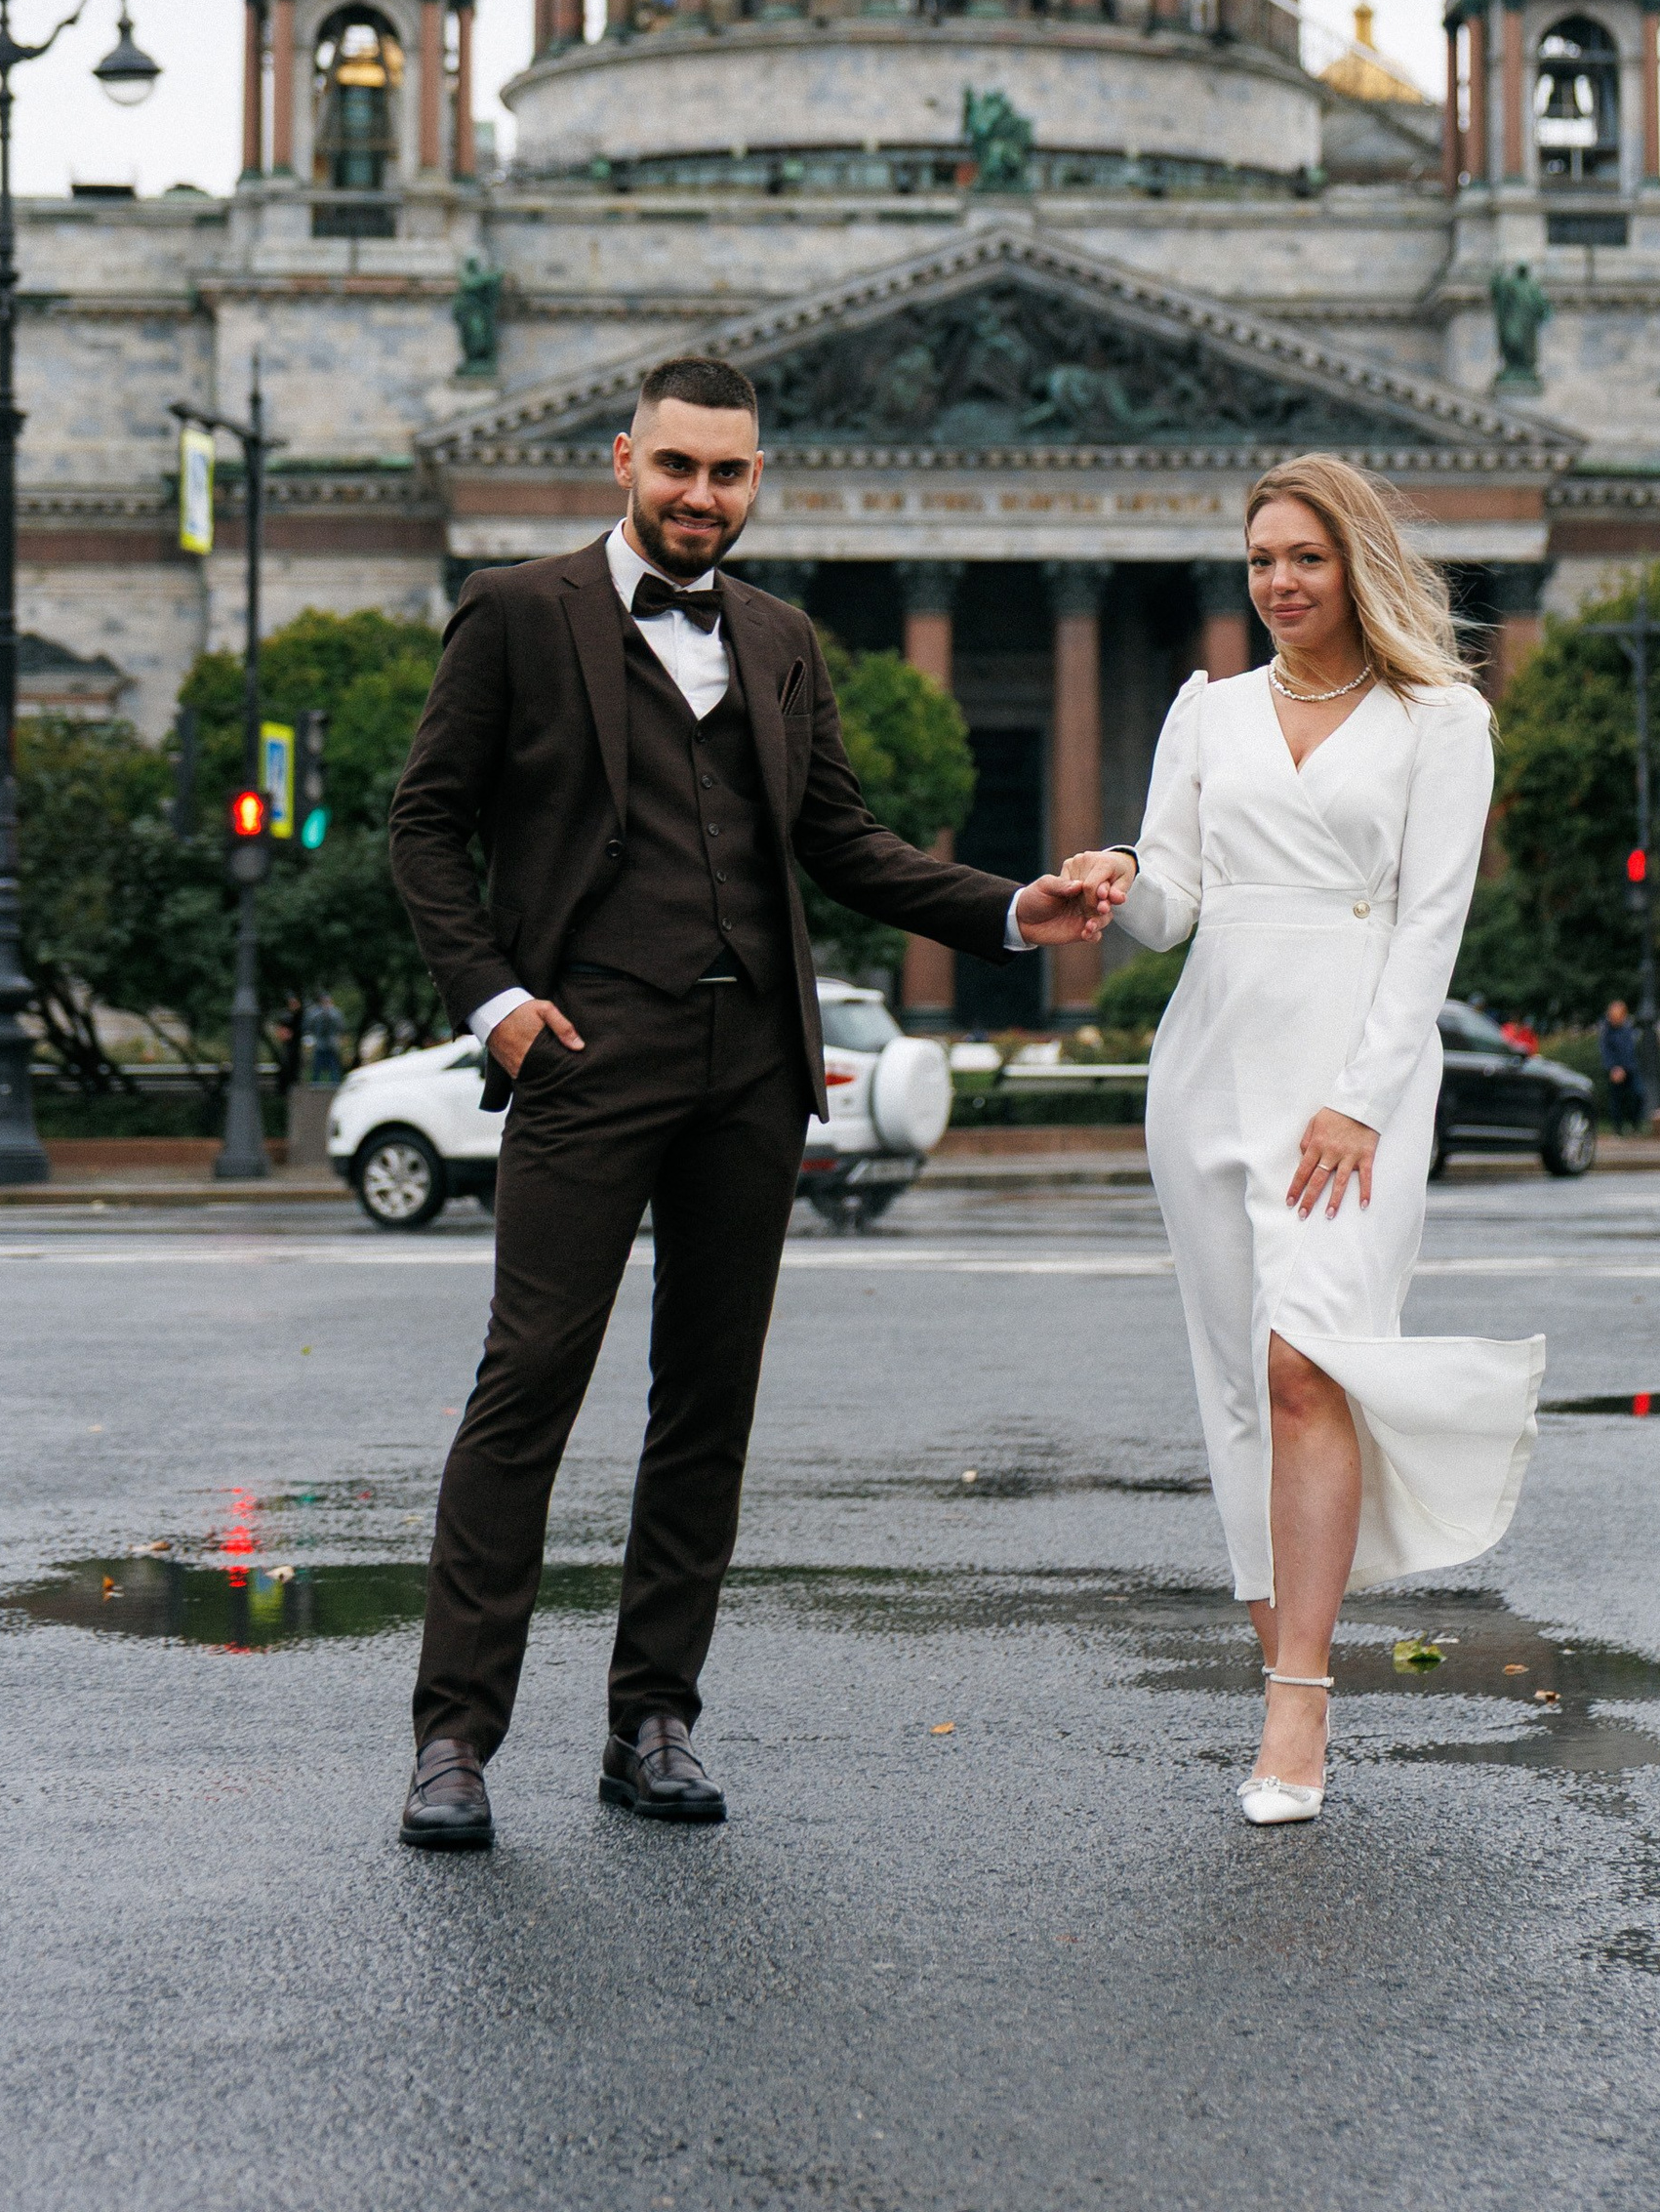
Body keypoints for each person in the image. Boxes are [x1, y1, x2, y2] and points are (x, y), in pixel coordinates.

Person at [385, 352, 1117, 1849]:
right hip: (585, 1052)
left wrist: (1008, 909)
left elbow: (842, 842)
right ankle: (453, 1738)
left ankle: (654, 1721)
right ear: (624, 460)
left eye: (727, 473)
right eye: (677, 466)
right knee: (527, 1390)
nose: (700, 495)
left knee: (707, 1406)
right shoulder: (518, 612)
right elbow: (425, 824)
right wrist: (497, 1005)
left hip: (752, 1069)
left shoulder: (780, 637)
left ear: (755, 480)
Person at [1063, 455, 1542, 1826]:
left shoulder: (1441, 718)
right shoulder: (1206, 711)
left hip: (1349, 1083)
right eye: (1262, 558)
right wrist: (1118, 875)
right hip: (1209, 1067)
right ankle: (1282, 1656)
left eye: (1306, 558)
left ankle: (1300, 1702)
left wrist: (1364, 1095)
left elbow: (1431, 926)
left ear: (1358, 564)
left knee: (1305, 1365)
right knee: (1238, 1386)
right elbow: (1174, 905)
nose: (1279, 581)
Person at [1598, 999, 1646, 1132]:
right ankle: (1617, 1128)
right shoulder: (1606, 1031)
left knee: (1638, 1094)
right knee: (1616, 1099)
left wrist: (1627, 1067)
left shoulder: (1629, 1028)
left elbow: (1631, 1049)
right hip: (1615, 1070)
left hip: (1630, 1068)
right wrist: (1614, 1068)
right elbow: (1606, 1051)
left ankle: (1635, 1125)